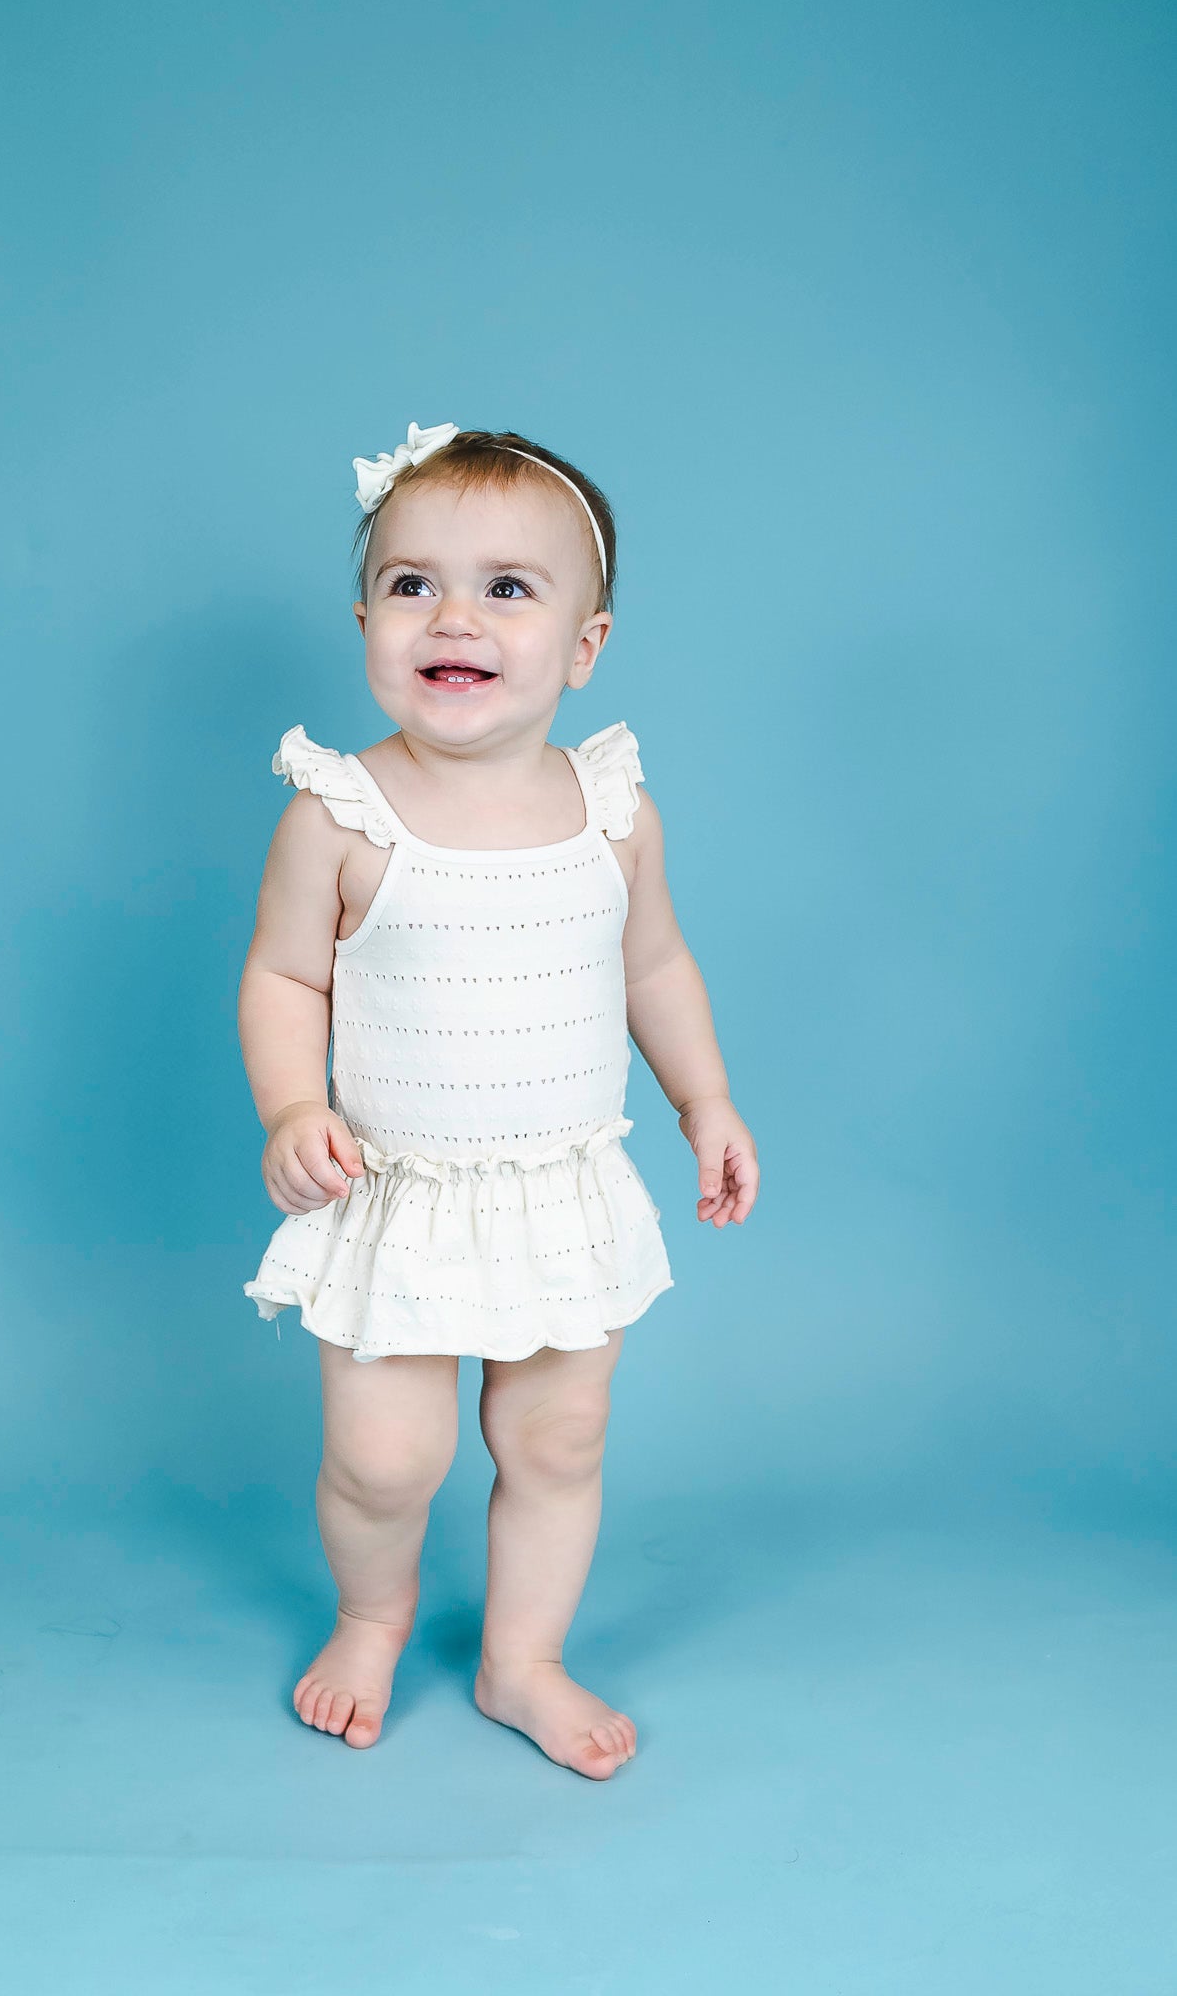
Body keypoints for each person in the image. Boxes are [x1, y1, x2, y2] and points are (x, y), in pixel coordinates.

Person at [239, 419, 759, 1779]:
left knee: (560, 1439)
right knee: (384, 1460)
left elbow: (653, 964)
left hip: (558, 1188)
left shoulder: (612, 812)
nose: (453, 616)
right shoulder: (341, 814)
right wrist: (291, 1109)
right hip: (398, 1192)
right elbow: (285, 976)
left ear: (584, 646)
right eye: (411, 583)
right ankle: (371, 1615)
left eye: (506, 588)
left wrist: (704, 1100)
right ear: (366, 621)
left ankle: (522, 1658)